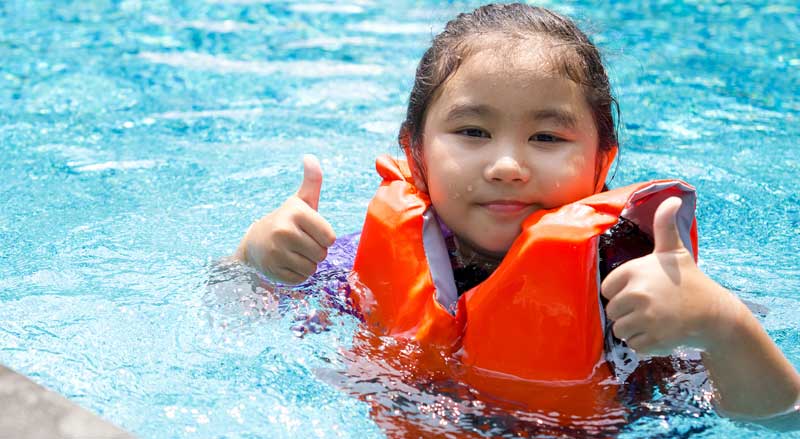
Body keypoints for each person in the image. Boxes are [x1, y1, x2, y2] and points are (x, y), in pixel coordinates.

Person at [232, 2, 800, 426]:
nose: (507, 165)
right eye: (472, 131)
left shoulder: (643, 289)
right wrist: (253, 258)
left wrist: (725, 327)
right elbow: (232, 324)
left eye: (547, 136)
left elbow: (778, 419)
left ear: (603, 162)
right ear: (415, 153)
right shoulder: (350, 264)